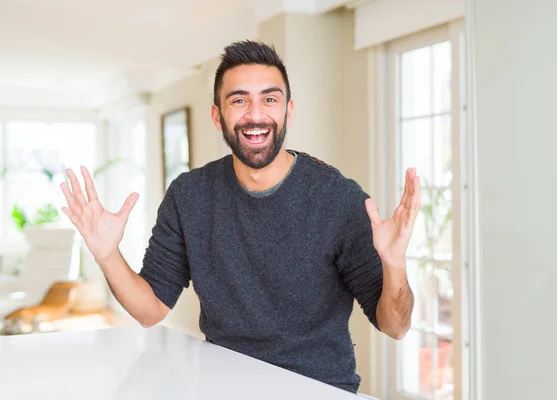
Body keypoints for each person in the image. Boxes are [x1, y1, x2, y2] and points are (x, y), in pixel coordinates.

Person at [60, 40, 420, 395]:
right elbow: (150, 310)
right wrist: (107, 253)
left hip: (319, 389)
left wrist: (395, 265)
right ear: (218, 115)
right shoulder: (189, 196)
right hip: (224, 387)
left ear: (288, 111)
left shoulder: (339, 198)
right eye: (239, 100)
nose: (255, 114)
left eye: (269, 98)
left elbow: (395, 326)